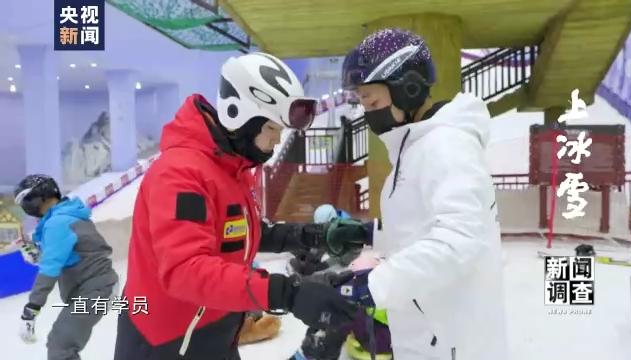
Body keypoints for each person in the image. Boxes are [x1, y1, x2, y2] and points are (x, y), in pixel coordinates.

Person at [113, 52, 369, 360]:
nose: (276, 142)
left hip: (218, 330)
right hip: (166, 342)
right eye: (272, 130)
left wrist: (313, 236)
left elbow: (241, 234)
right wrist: (287, 292)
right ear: (242, 117)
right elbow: (186, 270)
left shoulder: (232, 169)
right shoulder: (180, 174)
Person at [340, 28, 508, 359]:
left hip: (453, 344)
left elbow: (459, 240)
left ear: (409, 89)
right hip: (425, 335)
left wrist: (374, 285)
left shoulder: (446, 146)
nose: (366, 112)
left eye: (371, 100)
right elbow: (419, 226)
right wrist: (368, 232)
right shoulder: (415, 147)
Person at [13, 174, 119, 360]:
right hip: (95, 288)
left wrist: (32, 308)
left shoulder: (58, 222)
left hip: (96, 290)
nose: (28, 209)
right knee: (60, 343)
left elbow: (50, 269)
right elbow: (64, 256)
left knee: (61, 345)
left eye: (29, 201)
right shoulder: (61, 218)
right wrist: (37, 253)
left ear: (43, 197)